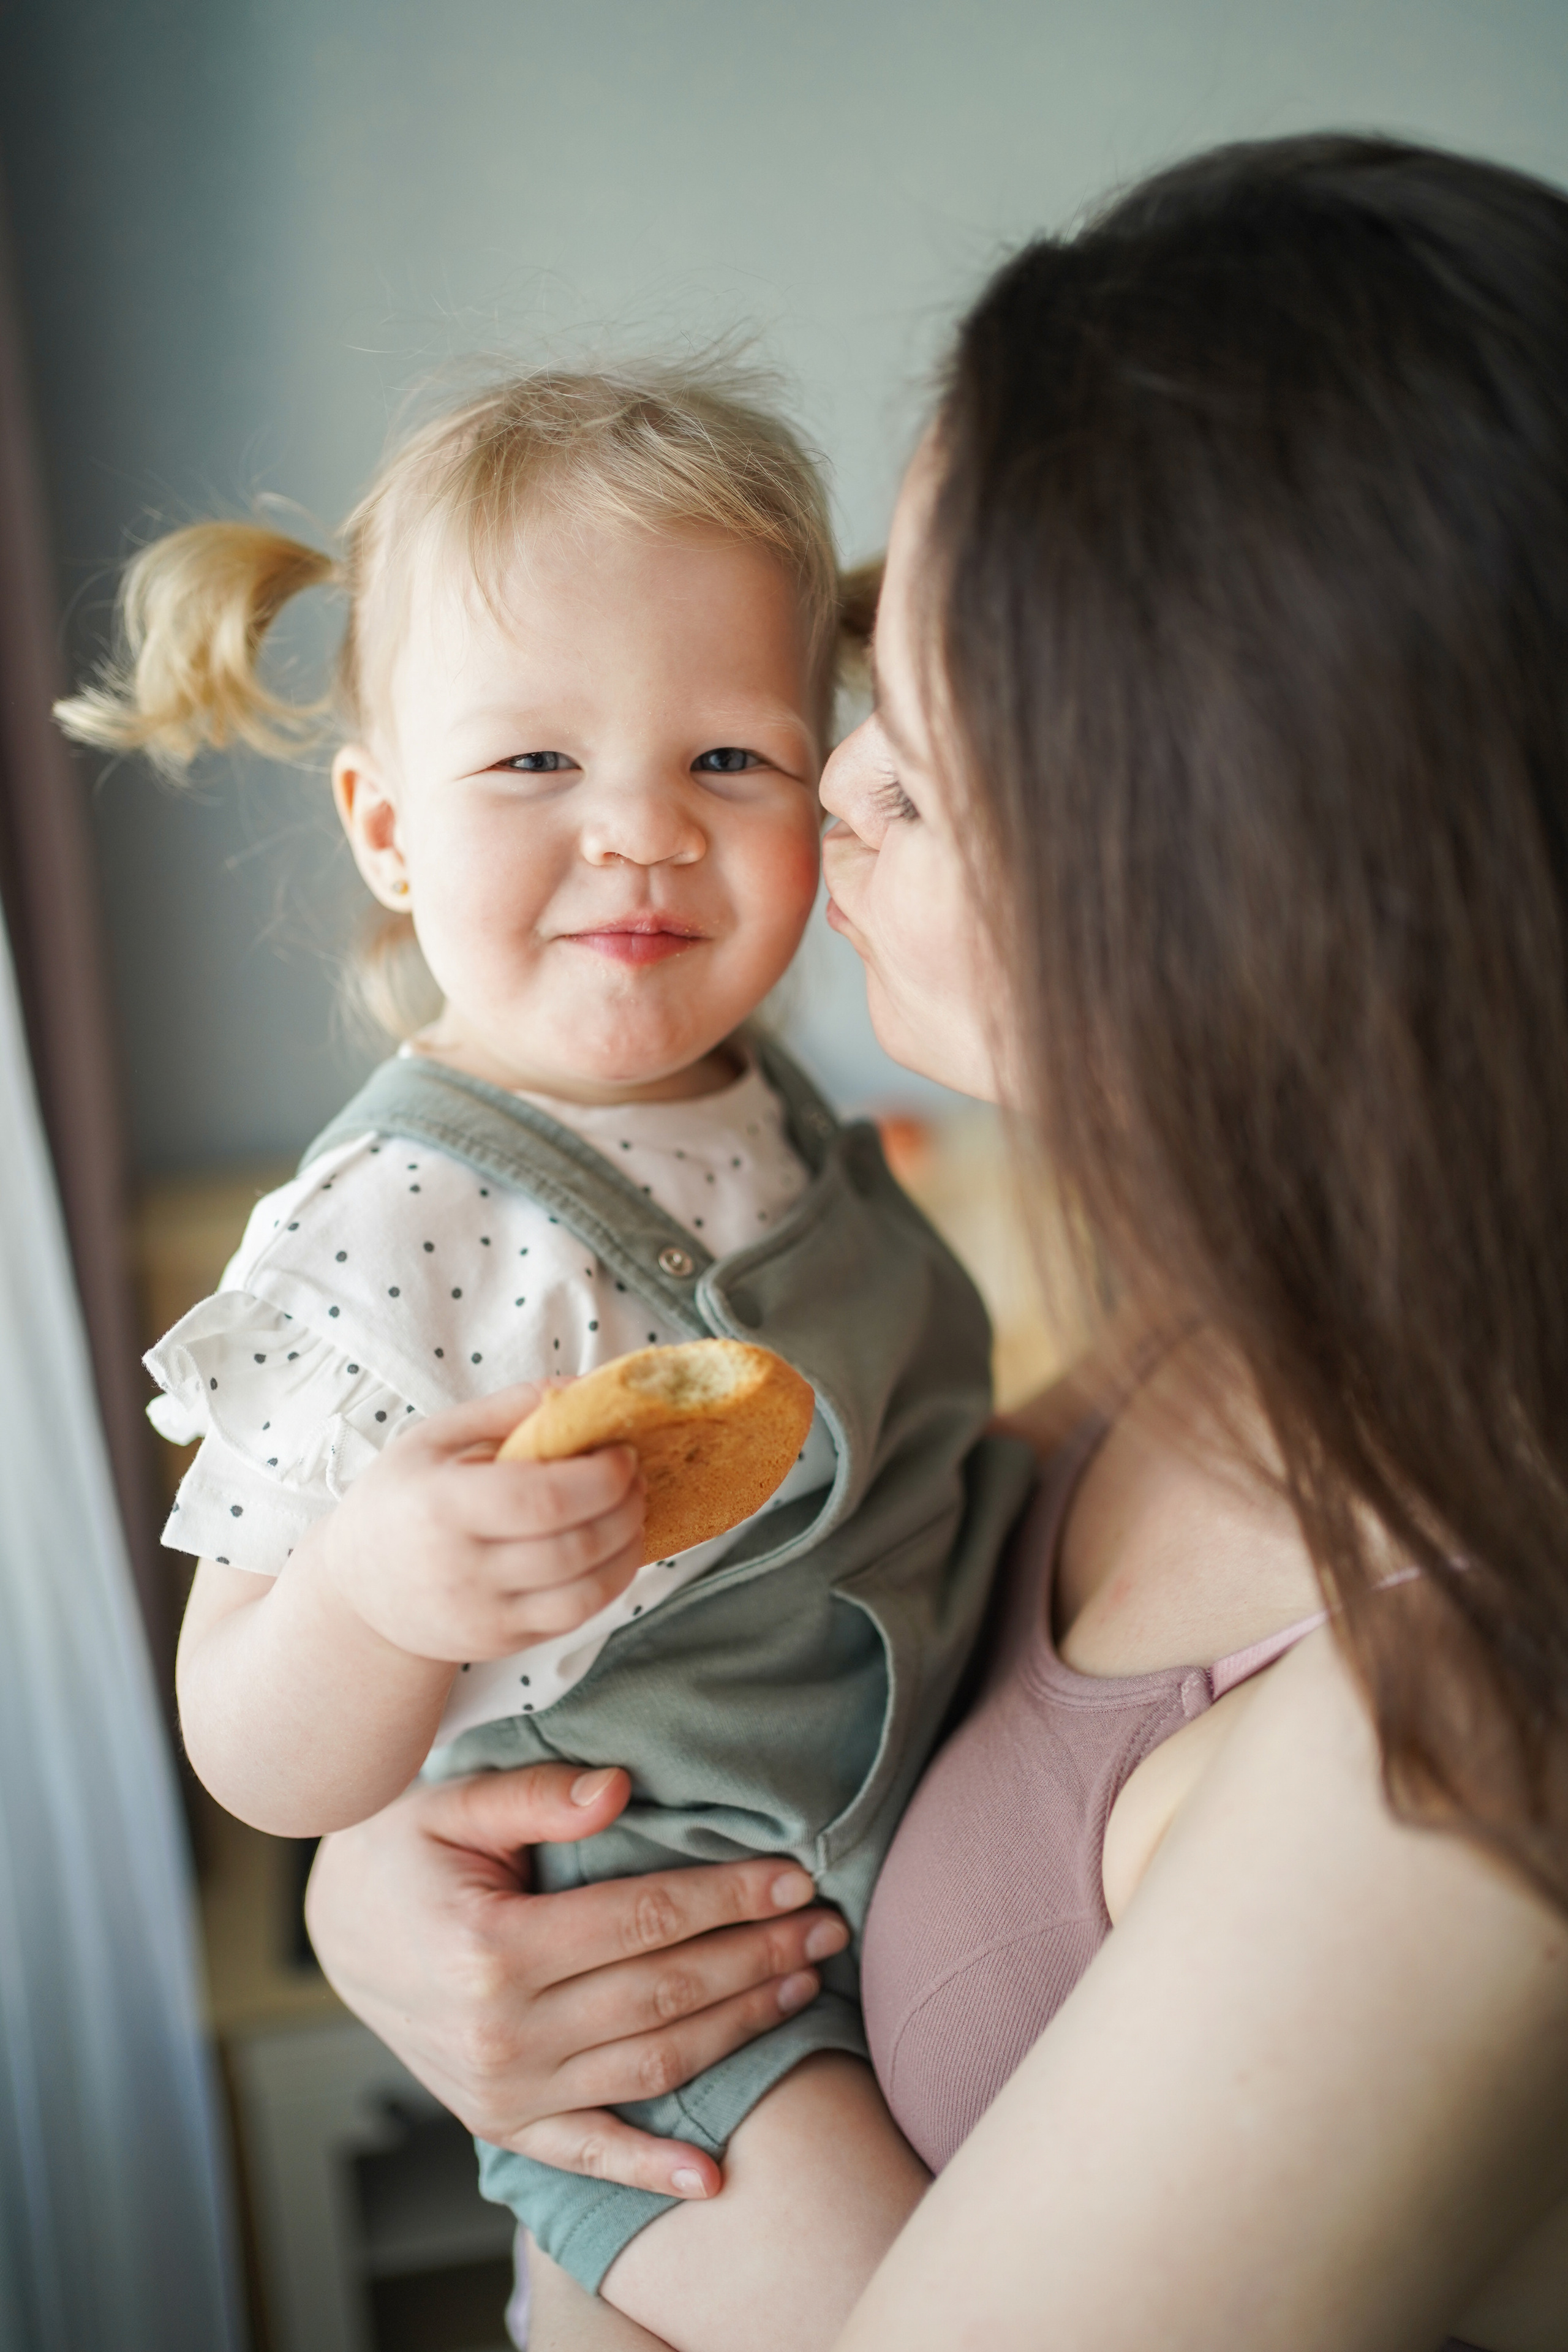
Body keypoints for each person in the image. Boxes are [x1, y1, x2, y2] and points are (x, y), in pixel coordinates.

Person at [307, 136, 1568, 2352]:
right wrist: (392, 1912)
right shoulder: (1227, 1344)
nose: (837, 789)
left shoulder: (1447, 1768)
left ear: (1237, 858)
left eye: (943, 721)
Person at [55, 369, 1032, 2343]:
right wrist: (371, 1590)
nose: (645, 836)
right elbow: (247, 1739)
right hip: (677, 2019)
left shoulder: (764, 1102)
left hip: (881, 1860)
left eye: (732, 762)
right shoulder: (390, 1230)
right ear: (387, 826)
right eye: (534, 771)